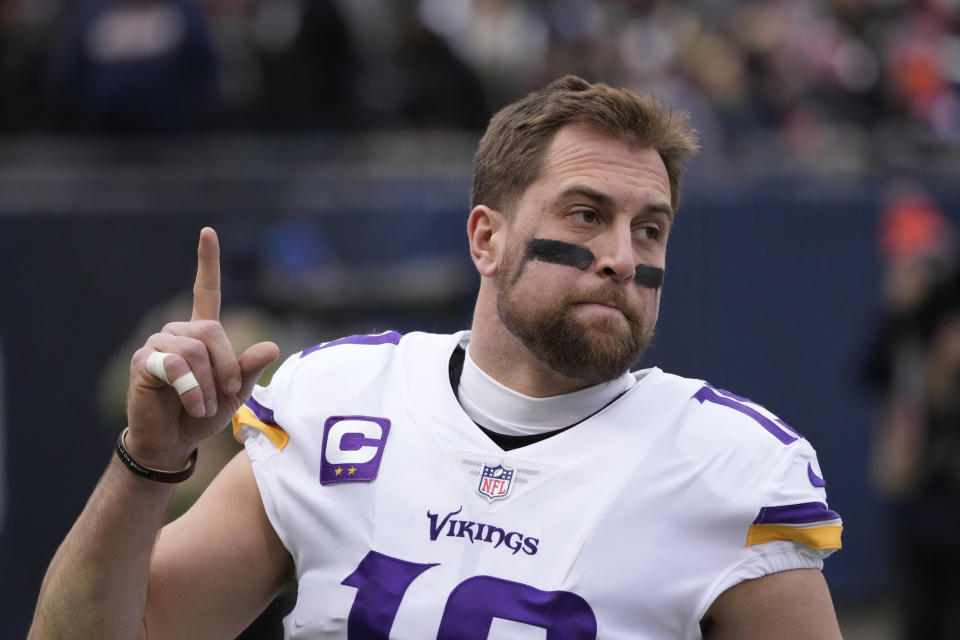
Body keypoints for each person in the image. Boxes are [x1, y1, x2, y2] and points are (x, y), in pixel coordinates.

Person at [30, 76, 843, 639]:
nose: (623, 257)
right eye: (587, 214)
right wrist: (146, 464)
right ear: (486, 239)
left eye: (651, 228)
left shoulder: (729, 466)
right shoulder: (334, 400)